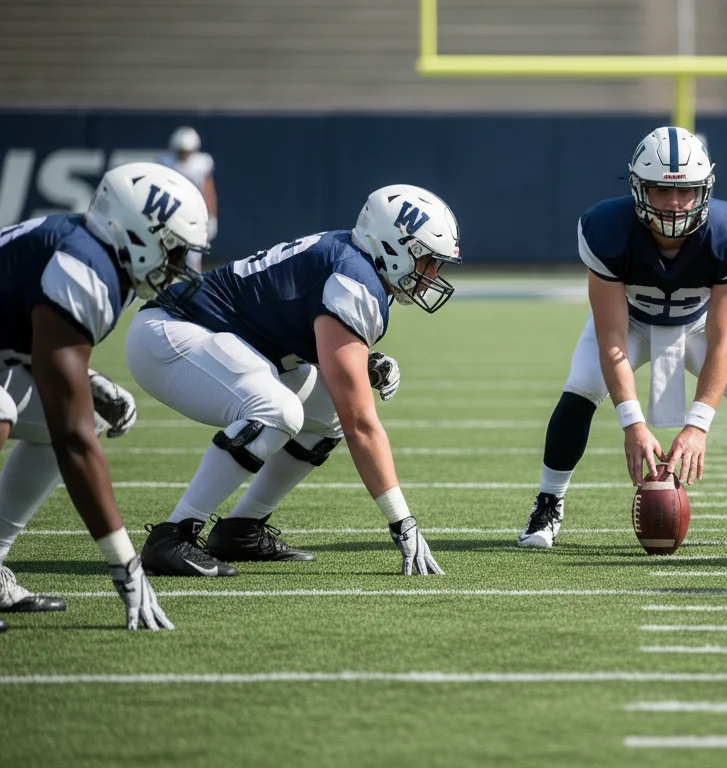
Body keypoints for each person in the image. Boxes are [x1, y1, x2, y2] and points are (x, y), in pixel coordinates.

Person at [127, 185, 459, 577]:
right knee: (277, 410)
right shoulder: (353, 279)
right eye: (427, 260)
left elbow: (310, 341)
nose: (431, 275)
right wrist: (402, 523)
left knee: (328, 414)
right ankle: (173, 536)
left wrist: (362, 361)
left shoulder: (352, 259)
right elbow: (363, 425)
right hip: (171, 333)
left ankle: (240, 528)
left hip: (216, 339)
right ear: (393, 246)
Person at [518, 126, 727, 550]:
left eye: (686, 191)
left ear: (704, 190)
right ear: (638, 189)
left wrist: (698, 426)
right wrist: (632, 423)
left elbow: (723, 339)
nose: (674, 204)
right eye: (660, 191)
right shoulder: (606, 229)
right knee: (579, 391)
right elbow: (611, 338)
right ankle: (548, 502)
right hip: (630, 325)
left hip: (698, 325)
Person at [0, 162, 207, 629]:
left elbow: (23, 335)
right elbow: (71, 439)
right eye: (173, 252)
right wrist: (124, 565)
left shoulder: (101, 258)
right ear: (134, 233)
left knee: (86, 415)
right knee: (16, 412)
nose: (178, 267)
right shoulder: (81, 265)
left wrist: (84, 377)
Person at [156, 126, 218, 271]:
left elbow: (208, 190)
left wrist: (212, 215)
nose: (184, 155)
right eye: (181, 151)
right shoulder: (165, 162)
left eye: (187, 151)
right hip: (171, 211)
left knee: (194, 254)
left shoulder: (202, 163)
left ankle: (193, 285)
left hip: (194, 211)